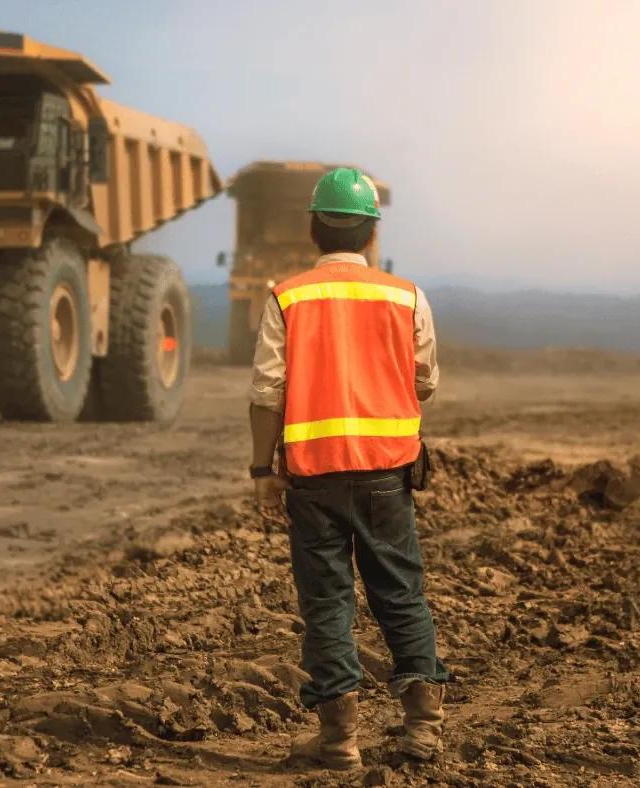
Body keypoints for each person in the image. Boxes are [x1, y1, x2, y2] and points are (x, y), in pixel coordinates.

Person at [248, 167, 448, 771]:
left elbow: (266, 393)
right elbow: (425, 383)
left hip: (314, 481)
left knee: (328, 603)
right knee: (401, 595)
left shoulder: (288, 296)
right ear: (370, 234)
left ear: (315, 228)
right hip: (389, 477)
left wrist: (263, 468)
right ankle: (424, 728)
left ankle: (338, 741)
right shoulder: (406, 296)